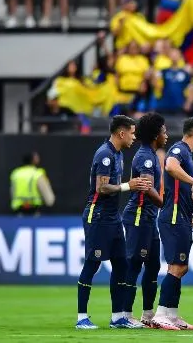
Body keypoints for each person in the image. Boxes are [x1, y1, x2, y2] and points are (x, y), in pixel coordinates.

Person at [76, 115, 152, 330]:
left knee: (121, 264)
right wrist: (129, 186)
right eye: (132, 133)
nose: (134, 137)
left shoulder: (117, 154)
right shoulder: (105, 154)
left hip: (112, 217)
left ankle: (118, 317)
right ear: (121, 133)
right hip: (98, 216)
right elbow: (101, 188)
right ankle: (81, 317)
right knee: (92, 263)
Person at [152, 118, 193, 330]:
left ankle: (172, 315)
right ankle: (161, 315)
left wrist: (188, 211)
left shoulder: (186, 154)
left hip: (181, 214)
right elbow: (170, 165)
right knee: (177, 266)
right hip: (173, 216)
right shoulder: (180, 149)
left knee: (180, 267)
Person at [122, 113, 167, 328]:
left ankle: (148, 315)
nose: (166, 135)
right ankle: (125, 315)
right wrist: (166, 206)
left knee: (153, 265)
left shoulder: (151, 154)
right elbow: (147, 187)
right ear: (155, 134)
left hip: (148, 217)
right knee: (134, 264)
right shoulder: (146, 157)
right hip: (138, 215)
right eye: (164, 131)